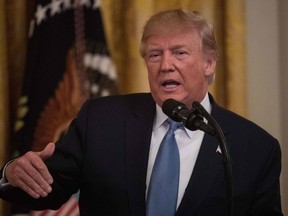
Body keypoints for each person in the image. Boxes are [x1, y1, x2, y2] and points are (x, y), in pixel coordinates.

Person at [0, 8, 283, 216]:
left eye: (179, 53)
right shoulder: (100, 120)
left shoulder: (256, 148)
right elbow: (45, 188)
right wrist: (11, 172)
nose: (165, 64)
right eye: (155, 54)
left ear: (209, 63)